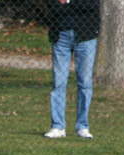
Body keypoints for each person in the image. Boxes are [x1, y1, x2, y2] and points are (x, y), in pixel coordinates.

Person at [44, 0, 101, 140]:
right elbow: (52, 7)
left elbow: (91, 6)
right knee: (59, 82)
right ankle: (57, 126)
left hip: (85, 36)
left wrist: (68, 3)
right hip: (61, 36)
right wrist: (72, 7)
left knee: (84, 82)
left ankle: (82, 126)